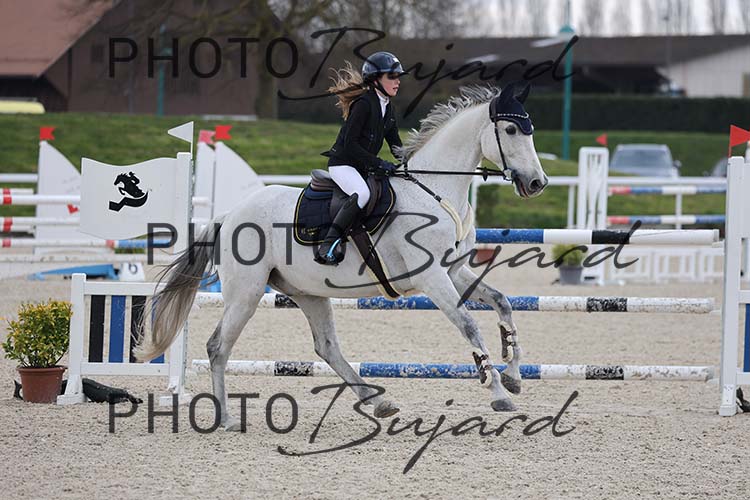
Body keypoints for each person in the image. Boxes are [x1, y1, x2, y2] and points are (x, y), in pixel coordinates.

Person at [315, 51, 407, 265]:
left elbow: (395, 145)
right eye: (392, 76)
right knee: (362, 194)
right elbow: (350, 145)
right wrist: (378, 163)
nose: (398, 81)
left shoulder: (388, 107)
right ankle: (328, 244)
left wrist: (409, 163)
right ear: (375, 80)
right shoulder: (364, 104)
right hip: (343, 164)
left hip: (362, 167)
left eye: (398, 77)